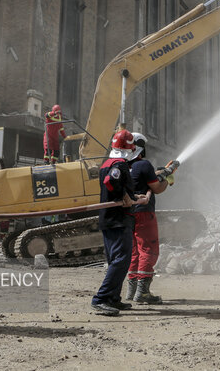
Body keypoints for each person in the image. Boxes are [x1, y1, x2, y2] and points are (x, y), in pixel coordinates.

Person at [91, 129, 148, 316]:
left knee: (116, 260)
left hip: (108, 218)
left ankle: (113, 299)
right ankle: (101, 299)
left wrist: (133, 196)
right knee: (121, 260)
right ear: (130, 147)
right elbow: (110, 182)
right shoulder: (120, 164)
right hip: (118, 220)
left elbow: (112, 184)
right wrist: (124, 196)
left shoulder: (107, 162)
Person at [125, 133, 175, 304]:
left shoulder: (123, 165)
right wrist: (167, 177)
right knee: (148, 249)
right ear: (141, 148)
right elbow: (157, 188)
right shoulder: (143, 164)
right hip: (144, 212)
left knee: (134, 252)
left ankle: (131, 291)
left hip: (128, 213)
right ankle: (143, 292)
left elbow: (143, 180)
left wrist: (159, 173)